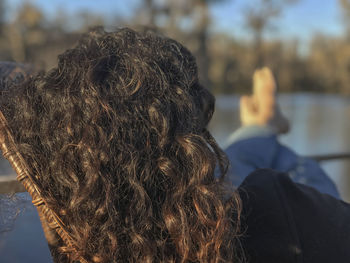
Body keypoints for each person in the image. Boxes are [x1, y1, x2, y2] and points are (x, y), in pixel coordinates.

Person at [0, 28, 349, 263]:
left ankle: (261, 125)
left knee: (240, 160)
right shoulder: (284, 214)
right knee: (291, 173)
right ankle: (265, 126)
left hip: (189, 200)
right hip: (223, 206)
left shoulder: (68, 227)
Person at [224, 67, 340, 199]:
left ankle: (263, 125)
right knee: (233, 163)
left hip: (230, 210)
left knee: (228, 166)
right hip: (328, 212)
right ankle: (264, 124)